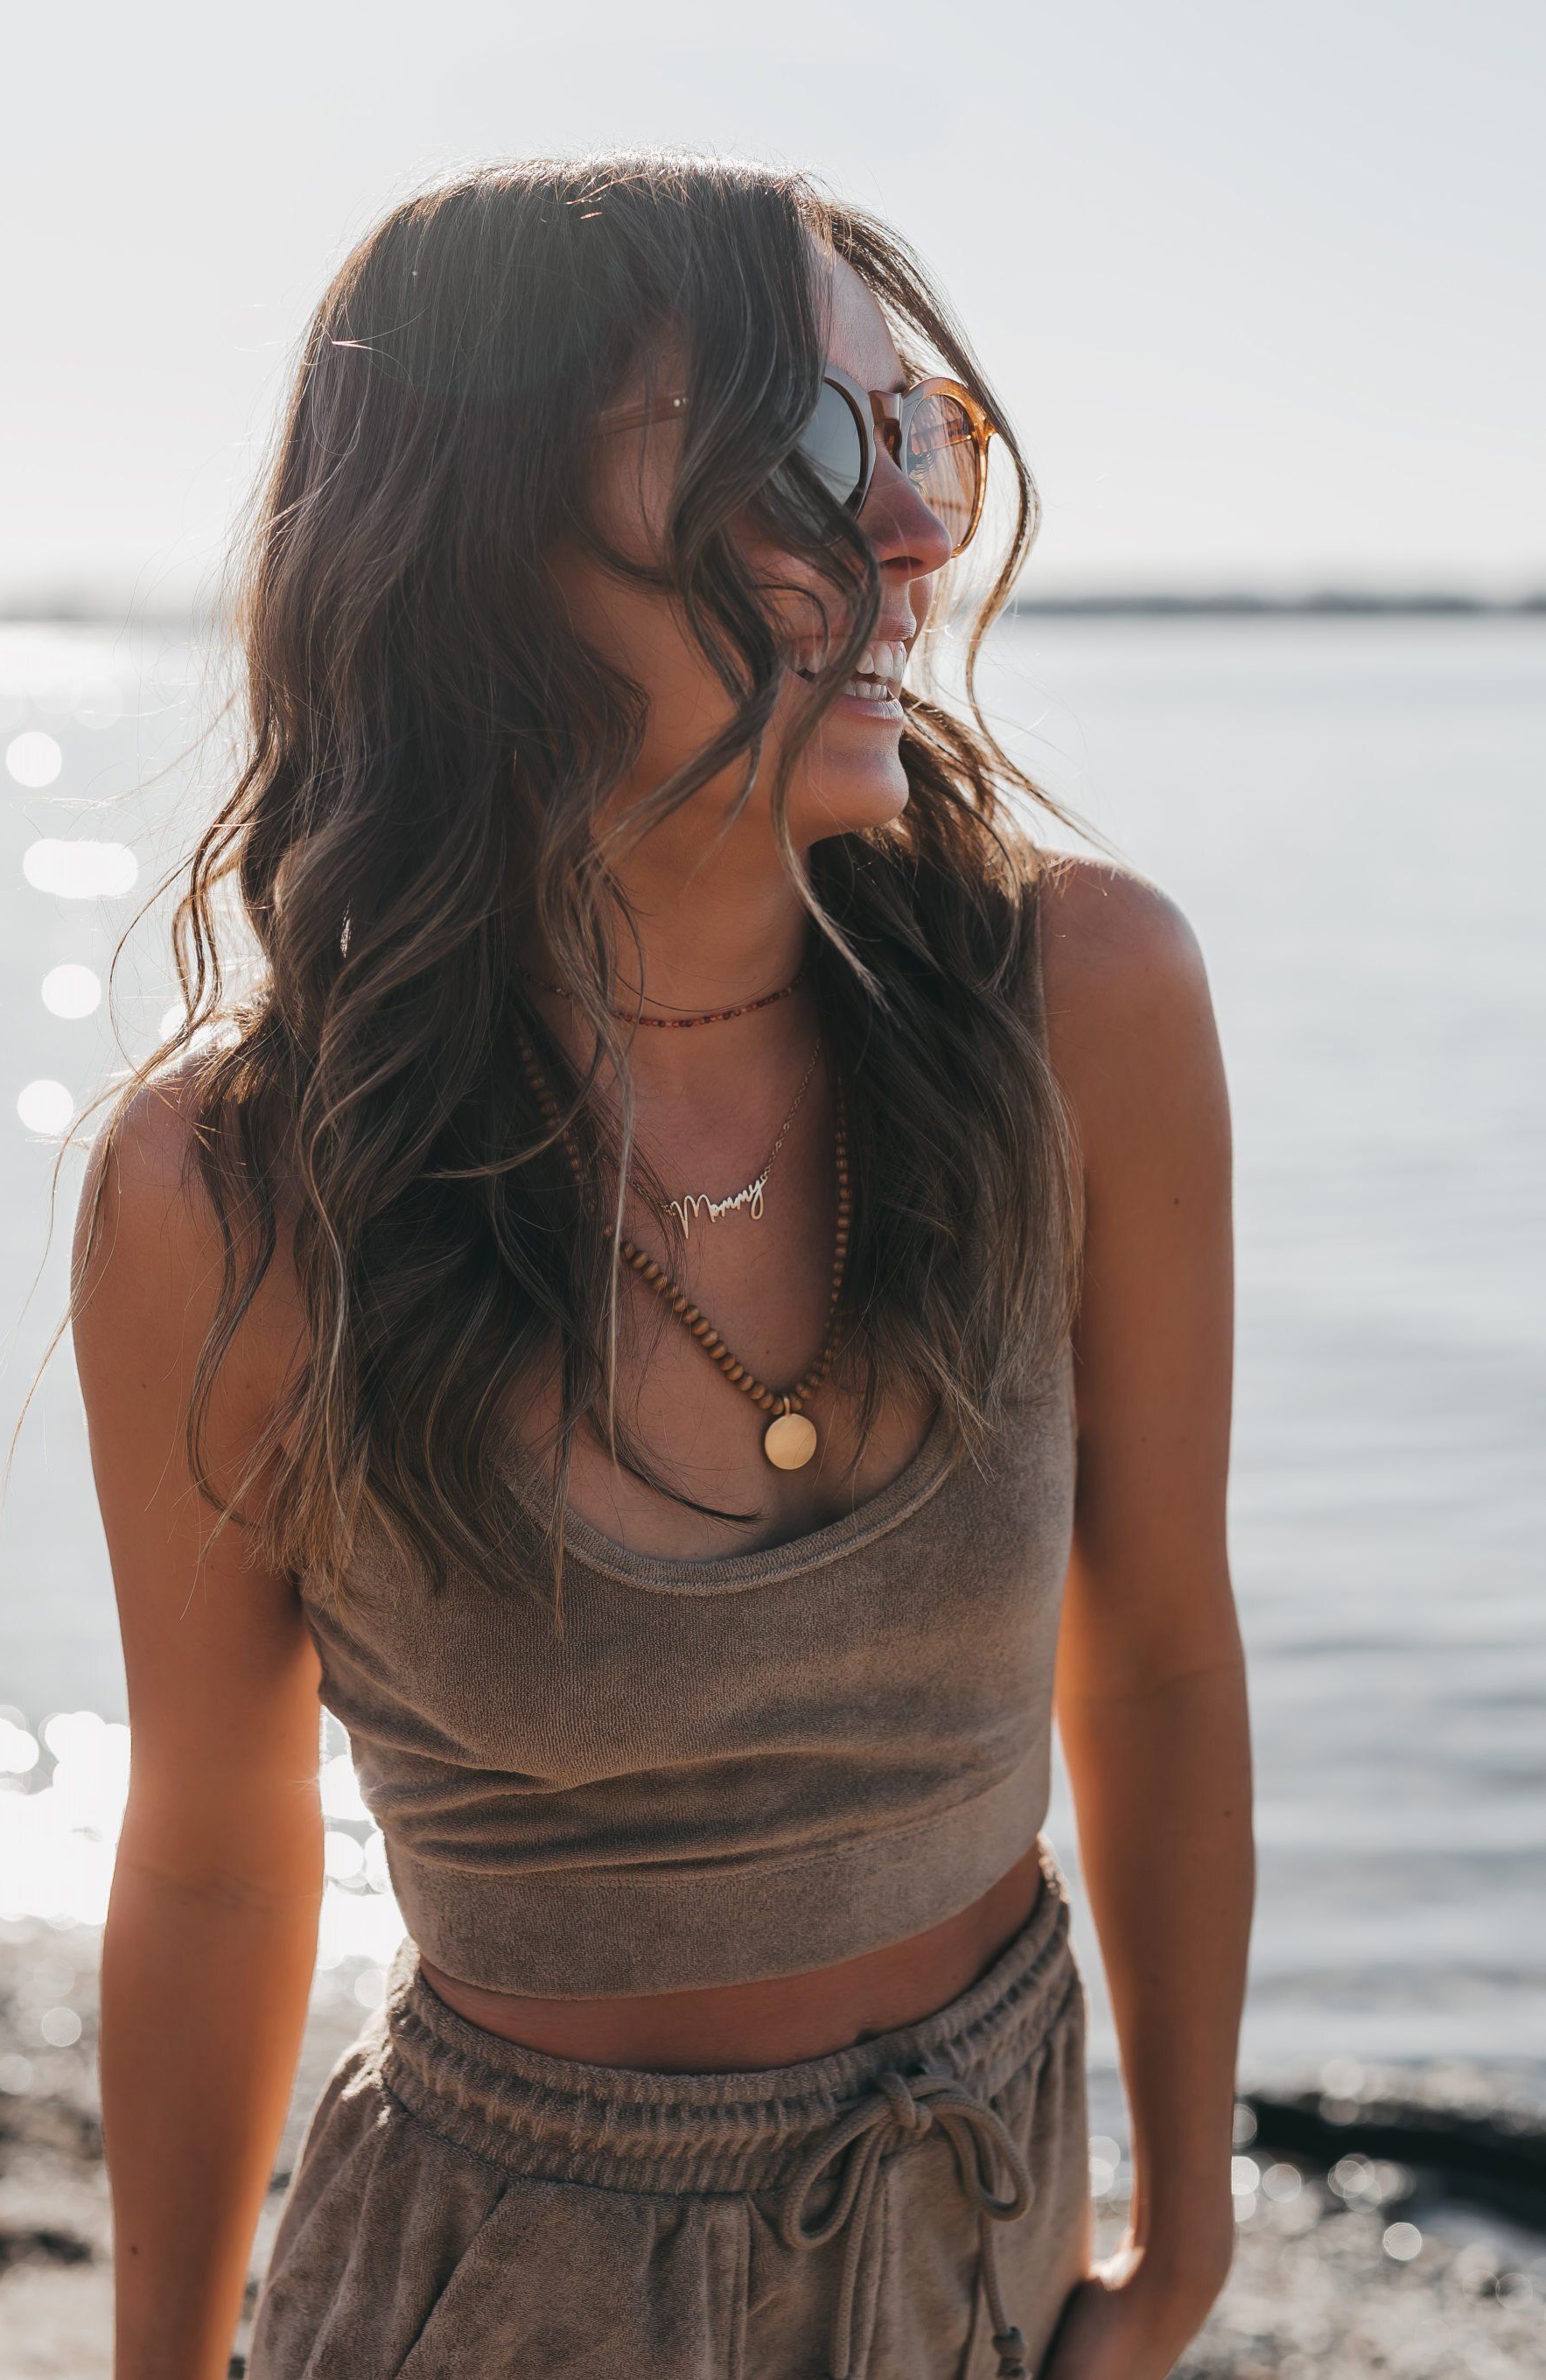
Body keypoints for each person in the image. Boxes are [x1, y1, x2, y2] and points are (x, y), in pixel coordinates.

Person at [70, 153, 1251, 2380]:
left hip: (986, 2219)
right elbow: (218, 1857)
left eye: (919, 442)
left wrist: (1178, 2240)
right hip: (504, 2284)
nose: (908, 535)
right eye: (810, 454)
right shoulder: (228, 1196)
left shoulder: (1077, 1005)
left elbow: (1163, 1643)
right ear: (477, 540)